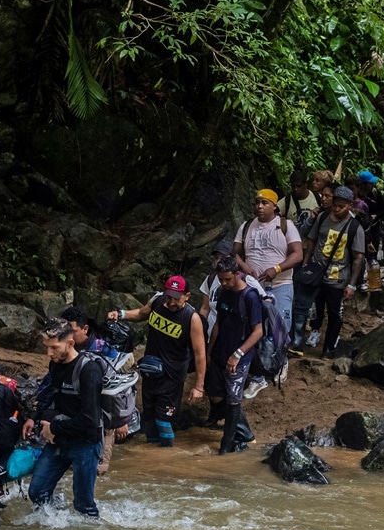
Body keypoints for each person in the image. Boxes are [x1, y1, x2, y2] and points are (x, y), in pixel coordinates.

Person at [23, 306, 130, 476]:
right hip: (69, 419)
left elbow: (120, 384)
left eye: (72, 331)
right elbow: (49, 386)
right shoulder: (59, 353)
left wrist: (122, 420)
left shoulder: (103, 349)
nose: (68, 335)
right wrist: (33, 416)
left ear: (84, 329)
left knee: (97, 470)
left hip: (101, 419)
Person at [110, 276, 207, 447]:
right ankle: (152, 452)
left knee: (163, 419)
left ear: (187, 296)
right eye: (169, 296)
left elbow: (200, 354)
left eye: (176, 298)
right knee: (148, 416)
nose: (170, 302)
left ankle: (166, 453)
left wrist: (199, 386)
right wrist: (121, 314)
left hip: (172, 375)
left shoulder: (192, 318)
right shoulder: (157, 301)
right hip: (151, 370)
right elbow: (141, 313)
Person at [28, 319, 108, 518]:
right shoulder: (55, 364)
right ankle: (54, 523)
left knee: (83, 505)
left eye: (54, 347)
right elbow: (52, 397)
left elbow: (90, 419)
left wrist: (54, 428)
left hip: (85, 444)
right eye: (46, 347)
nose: (49, 353)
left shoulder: (89, 371)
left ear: (70, 344)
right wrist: (37, 418)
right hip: (59, 440)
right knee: (37, 492)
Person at [293, 185, 367, 356]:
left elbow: (358, 258)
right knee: (304, 305)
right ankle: (297, 342)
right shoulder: (323, 217)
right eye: (335, 205)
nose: (337, 209)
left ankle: (328, 349)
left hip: (338, 277)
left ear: (349, 205)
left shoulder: (355, 227)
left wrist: (352, 285)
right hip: (316, 271)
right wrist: (306, 262)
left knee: (334, 313)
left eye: (342, 206)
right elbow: (311, 240)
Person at [205, 256, 265, 454]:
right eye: (221, 279)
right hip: (220, 351)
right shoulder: (223, 292)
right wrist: (209, 352)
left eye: (228, 279)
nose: (224, 283)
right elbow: (218, 324)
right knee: (213, 391)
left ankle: (226, 445)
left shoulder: (250, 296)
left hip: (239, 355)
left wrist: (237, 354)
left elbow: (258, 331)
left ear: (237, 274)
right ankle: (243, 432)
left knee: (233, 399)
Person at [234, 187, 303, 349]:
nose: (259, 206)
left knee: (279, 328)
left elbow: (297, 254)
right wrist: (244, 266)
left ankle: (279, 363)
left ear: (274, 206)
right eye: (257, 203)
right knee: (253, 327)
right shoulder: (246, 226)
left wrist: (277, 268)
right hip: (252, 288)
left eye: (265, 203)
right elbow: (234, 253)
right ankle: (258, 367)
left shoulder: (286, 225)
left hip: (280, 286)